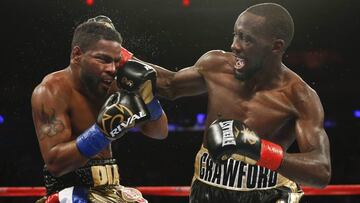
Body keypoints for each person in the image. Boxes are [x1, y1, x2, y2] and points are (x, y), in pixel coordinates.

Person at [146, 3, 331, 202]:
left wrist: (257, 149)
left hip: (266, 196)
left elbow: (321, 171)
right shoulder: (216, 65)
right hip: (207, 190)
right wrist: (119, 56)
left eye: (246, 39)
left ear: (276, 46)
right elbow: (169, 85)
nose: (235, 45)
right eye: (235, 34)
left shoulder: (299, 96)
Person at [32, 16, 167, 203]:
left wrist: (149, 98)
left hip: (110, 188)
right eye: (103, 59)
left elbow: (159, 132)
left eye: (116, 62)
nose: (112, 69)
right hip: (69, 193)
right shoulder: (52, 91)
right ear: (77, 55)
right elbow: (55, 163)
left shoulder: (115, 84)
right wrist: (102, 132)